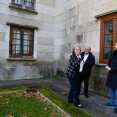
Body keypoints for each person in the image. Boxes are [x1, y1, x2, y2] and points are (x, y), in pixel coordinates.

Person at [105, 43, 117, 114]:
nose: (115, 46)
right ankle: (111, 103)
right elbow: (109, 62)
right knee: (112, 91)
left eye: (116, 45)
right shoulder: (113, 54)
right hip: (111, 76)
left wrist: (111, 68)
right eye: (115, 45)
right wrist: (107, 65)